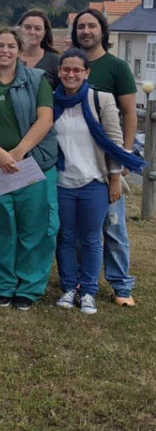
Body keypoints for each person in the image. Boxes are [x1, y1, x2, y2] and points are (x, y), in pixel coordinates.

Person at [0, 29, 58, 311]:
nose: (4, 50)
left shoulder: (37, 79)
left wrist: (18, 153)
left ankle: (29, 288)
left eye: (10, 46)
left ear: (19, 50)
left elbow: (45, 120)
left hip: (34, 164)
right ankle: (3, 286)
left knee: (36, 228)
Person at [52, 48, 145, 314]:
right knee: (66, 237)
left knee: (92, 238)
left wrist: (114, 180)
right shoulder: (52, 101)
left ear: (86, 73)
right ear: (59, 72)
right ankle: (70, 288)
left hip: (94, 180)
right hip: (62, 181)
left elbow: (114, 143)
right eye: (66, 69)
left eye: (76, 70)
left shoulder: (100, 99)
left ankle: (89, 290)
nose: (71, 74)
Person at [71, 8, 139, 307]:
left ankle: (121, 285)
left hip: (106, 160)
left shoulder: (116, 67)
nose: (86, 31)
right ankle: (79, 281)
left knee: (113, 225)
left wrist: (122, 157)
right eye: (81, 26)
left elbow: (129, 114)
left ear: (102, 30)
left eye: (91, 26)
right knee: (77, 228)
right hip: (77, 161)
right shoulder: (71, 66)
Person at [17, 9, 60, 88]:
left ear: (45, 32)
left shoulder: (55, 61)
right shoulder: (11, 58)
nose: (32, 32)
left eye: (38, 29)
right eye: (27, 28)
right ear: (20, 30)